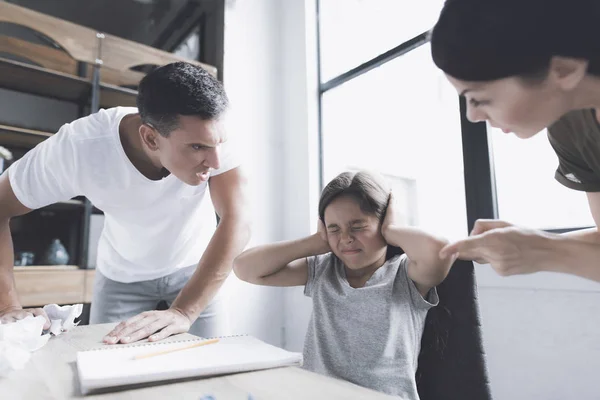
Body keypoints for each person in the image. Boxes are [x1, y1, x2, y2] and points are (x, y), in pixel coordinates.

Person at [0, 62, 250, 344]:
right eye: (197, 148)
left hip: (196, 269)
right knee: (106, 371)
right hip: (121, 277)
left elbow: (237, 219)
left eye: (219, 146)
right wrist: (8, 308)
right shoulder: (79, 148)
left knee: (213, 367)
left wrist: (183, 311)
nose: (216, 162)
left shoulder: (214, 134)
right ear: (150, 138)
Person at [233, 171, 454, 398]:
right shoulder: (323, 269)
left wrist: (391, 231)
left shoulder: (404, 276)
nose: (346, 238)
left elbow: (440, 251)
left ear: (383, 222)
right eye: (334, 229)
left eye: (357, 227)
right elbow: (244, 268)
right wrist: (315, 243)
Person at [430, 0, 600, 282]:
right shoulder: (571, 125)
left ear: (564, 70)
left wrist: (546, 252)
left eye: (480, 98)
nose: (472, 116)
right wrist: (533, 243)